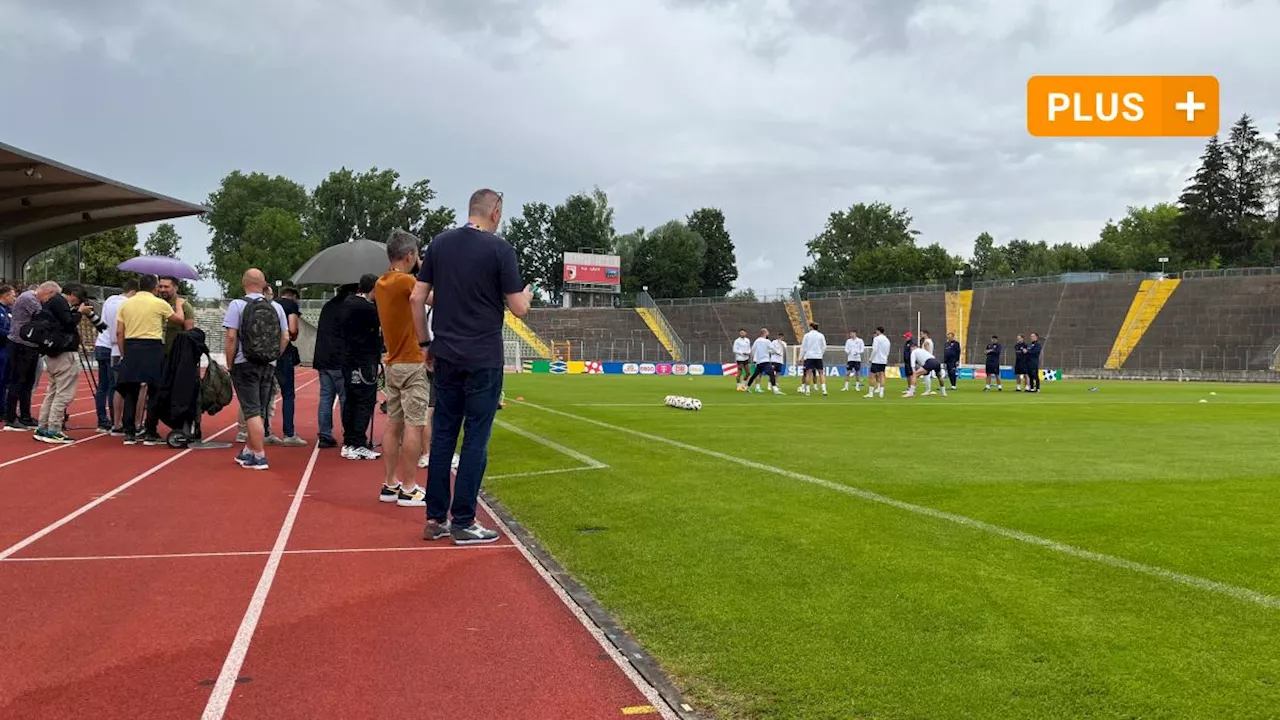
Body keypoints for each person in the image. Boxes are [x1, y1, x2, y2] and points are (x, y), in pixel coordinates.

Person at [412, 188, 532, 545]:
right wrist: (524, 296)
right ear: (495, 212)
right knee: (476, 438)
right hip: (482, 357)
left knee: (444, 435)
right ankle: (464, 520)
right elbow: (519, 309)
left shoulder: (439, 244)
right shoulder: (499, 249)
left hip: (445, 353)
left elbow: (417, 297)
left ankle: (435, 519)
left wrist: (424, 344)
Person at [374, 230, 431, 507]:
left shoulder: (382, 282)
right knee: (414, 425)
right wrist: (425, 269)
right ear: (410, 256)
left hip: (393, 361)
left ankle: (390, 483)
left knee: (393, 424)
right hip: (411, 360)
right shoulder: (407, 281)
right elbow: (432, 298)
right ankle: (409, 487)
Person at [223, 269, 289, 469]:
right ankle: (249, 451)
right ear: (264, 284)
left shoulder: (237, 305)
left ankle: (259, 456)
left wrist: (230, 362)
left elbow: (231, 337)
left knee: (250, 410)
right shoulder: (276, 307)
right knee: (259, 408)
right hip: (267, 364)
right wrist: (274, 356)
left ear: (244, 283)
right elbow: (285, 337)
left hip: (245, 363)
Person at [116, 274, 187, 445]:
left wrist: (124, 353)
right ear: (155, 288)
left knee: (130, 391)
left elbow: (119, 332)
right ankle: (150, 431)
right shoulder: (159, 303)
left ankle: (129, 433)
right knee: (154, 391)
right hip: (152, 347)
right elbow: (179, 320)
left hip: (132, 346)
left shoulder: (126, 304)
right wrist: (179, 305)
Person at [34, 283, 98, 444]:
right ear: (74, 294)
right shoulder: (60, 302)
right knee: (64, 394)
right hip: (63, 354)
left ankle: (43, 427)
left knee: (53, 391)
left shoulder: (50, 303)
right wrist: (80, 313)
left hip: (52, 352)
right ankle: (54, 429)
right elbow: (69, 323)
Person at [139, 275, 198, 443]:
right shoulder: (153, 304)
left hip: (176, 357)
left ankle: (181, 427)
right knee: (155, 393)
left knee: (177, 393)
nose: (163, 290)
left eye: (167, 287)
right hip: (156, 355)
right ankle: (150, 428)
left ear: (176, 287)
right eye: (161, 286)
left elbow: (189, 331)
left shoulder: (184, 306)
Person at [4, 282, 60, 432]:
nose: (49, 301)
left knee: (28, 383)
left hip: (31, 345)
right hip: (20, 344)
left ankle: (25, 416)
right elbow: (44, 316)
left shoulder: (34, 299)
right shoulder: (29, 298)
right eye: (51, 297)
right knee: (17, 381)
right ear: (47, 292)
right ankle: (10, 418)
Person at [340, 273, 382, 461]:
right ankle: (358, 442)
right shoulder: (367, 309)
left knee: (351, 400)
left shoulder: (347, 303)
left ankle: (350, 441)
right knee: (364, 401)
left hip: (349, 360)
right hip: (364, 360)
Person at [93, 280, 136, 432]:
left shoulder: (110, 300)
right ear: (133, 293)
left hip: (100, 343)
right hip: (114, 347)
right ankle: (115, 421)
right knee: (115, 386)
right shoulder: (126, 305)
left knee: (102, 387)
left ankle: (102, 420)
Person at [312, 285, 351, 448]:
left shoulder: (328, 306)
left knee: (326, 398)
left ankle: (325, 434)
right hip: (339, 360)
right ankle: (349, 433)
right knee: (345, 398)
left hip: (323, 359)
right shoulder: (347, 309)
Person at [271, 286, 305, 446]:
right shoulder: (291, 306)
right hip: (284, 353)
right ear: (293, 296)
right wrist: (294, 334)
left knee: (266, 394)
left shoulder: (270, 303)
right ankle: (289, 433)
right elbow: (292, 329)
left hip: (267, 352)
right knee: (288, 394)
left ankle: (264, 431)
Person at [744, 328, 779, 394]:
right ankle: (775, 389)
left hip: (758, 361)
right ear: (765, 333)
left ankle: (747, 387)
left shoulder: (757, 340)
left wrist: (754, 358)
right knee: (771, 373)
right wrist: (776, 352)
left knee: (755, 375)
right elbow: (773, 349)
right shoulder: (767, 341)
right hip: (765, 361)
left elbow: (753, 350)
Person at [800, 322, 827, 396]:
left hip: (809, 356)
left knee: (808, 373)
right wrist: (820, 354)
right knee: (821, 373)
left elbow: (803, 347)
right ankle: (824, 390)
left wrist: (800, 357)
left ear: (811, 327)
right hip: (818, 356)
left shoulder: (807, 335)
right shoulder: (821, 335)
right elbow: (824, 347)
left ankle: (808, 390)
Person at [0, 284, 14, 414]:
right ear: (5, 295)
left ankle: (3, 408)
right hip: (1, 348)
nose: (14, 299)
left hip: (7, 348)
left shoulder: (9, 310)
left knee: (5, 381)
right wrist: (11, 333)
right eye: (13, 296)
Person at [865, 326, 890, 399]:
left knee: (872, 376)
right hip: (883, 360)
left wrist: (871, 358)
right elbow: (887, 351)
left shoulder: (876, 339)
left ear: (878, 331)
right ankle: (881, 392)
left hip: (876, 360)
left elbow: (875, 349)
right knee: (882, 375)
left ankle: (870, 393)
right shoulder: (887, 340)